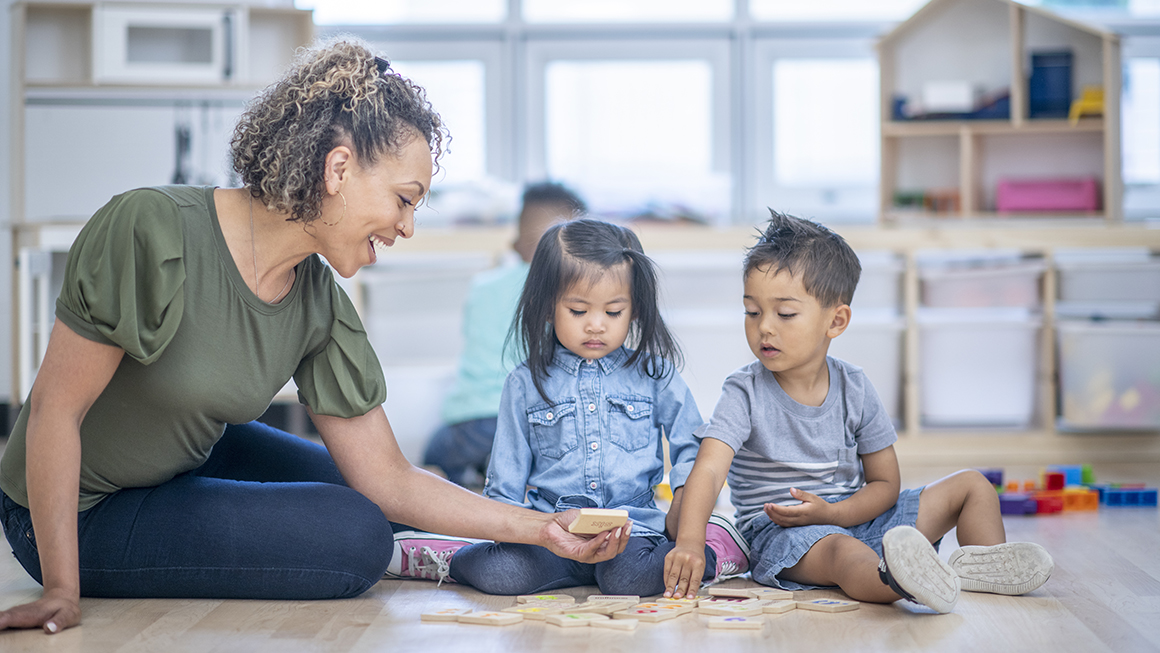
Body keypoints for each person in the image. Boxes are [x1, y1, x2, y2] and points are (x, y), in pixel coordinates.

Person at [0, 39, 631, 636]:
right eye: (404, 199)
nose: (407, 226)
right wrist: (61, 586)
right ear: (338, 169)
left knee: (383, 503)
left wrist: (542, 529)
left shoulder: (317, 298)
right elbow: (57, 410)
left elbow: (389, 476)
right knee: (355, 536)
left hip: (187, 458)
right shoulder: (149, 230)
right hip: (78, 510)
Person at [662, 210, 1053, 613]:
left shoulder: (855, 386)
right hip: (786, 535)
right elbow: (707, 471)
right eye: (752, 311)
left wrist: (837, 511)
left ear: (837, 320)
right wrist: (691, 543)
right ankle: (896, 578)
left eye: (785, 313)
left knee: (972, 485)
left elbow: (885, 483)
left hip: (859, 518)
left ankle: (985, 564)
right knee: (843, 554)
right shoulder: (742, 392)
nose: (764, 327)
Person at [387, 218, 749, 595]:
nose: (596, 325)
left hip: (633, 531)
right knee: (502, 575)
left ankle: (715, 546)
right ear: (547, 306)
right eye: (578, 311)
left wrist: (688, 525)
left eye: (613, 312)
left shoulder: (655, 374)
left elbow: (692, 450)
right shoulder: (524, 382)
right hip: (550, 533)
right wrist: (503, 538)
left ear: (635, 310)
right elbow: (505, 475)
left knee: (627, 580)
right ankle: (444, 554)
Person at [423, 182, 587, 487]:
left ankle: (454, 477)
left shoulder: (483, 286)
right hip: (531, 424)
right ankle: (512, 475)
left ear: (516, 243)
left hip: (469, 424)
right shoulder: (569, 295)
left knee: (435, 452)